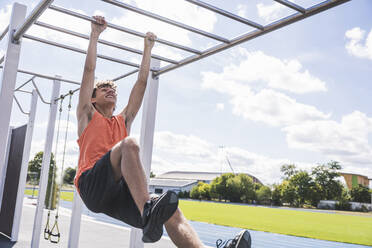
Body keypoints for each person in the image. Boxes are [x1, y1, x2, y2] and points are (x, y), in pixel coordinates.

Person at [74, 15, 252, 248]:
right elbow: (89, 70)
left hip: (115, 194)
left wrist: (147, 48)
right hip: (91, 185)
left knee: (170, 211)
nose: (110, 90)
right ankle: (148, 211)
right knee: (129, 145)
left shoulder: (123, 120)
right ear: (93, 98)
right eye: (104, 88)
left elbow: (141, 84)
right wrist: (95, 35)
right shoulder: (87, 114)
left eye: (113, 89)